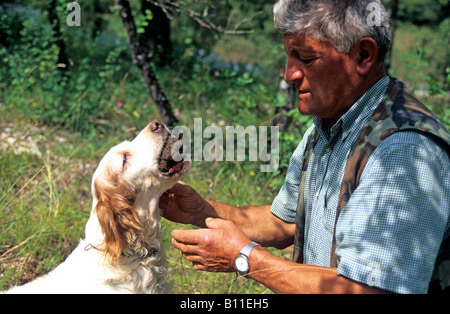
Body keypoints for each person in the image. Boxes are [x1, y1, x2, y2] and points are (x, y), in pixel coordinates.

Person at [159, 0, 450, 294]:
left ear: (363, 56)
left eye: (307, 59)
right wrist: (200, 211)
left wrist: (245, 257)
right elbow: (284, 223)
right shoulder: (329, 126)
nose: (290, 75)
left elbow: (371, 291)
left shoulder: (404, 151)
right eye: (289, 58)